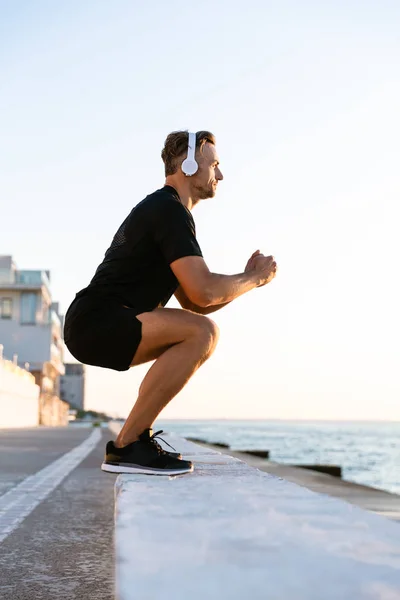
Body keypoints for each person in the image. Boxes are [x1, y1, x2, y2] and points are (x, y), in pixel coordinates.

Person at [64, 130, 277, 476]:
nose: (220, 175)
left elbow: (197, 302)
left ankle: (135, 439)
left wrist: (245, 280)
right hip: (98, 320)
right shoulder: (168, 210)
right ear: (189, 165)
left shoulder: (168, 211)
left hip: (94, 323)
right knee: (203, 334)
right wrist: (254, 278)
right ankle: (128, 444)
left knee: (198, 331)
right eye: (215, 165)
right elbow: (204, 292)